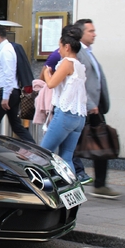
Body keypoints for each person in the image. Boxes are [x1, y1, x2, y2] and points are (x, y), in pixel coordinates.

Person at [73, 18, 120, 199]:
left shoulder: (89, 52)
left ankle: (99, 184)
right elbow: (79, 81)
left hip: (95, 106)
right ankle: (90, 182)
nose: (94, 34)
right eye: (90, 31)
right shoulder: (78, 53)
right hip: (86, 106)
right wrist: (91, 104)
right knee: (73, 144)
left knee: (100, 141)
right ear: (80, 33)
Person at [40, 25, 87, 171]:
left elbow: (51, 84)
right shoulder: (79, 65)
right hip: (79, 117)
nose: (58, 50)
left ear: (67, 47)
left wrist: (47, 72)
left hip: (65, 114)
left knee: (42, 154)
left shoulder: (67, 63)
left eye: (59, 46)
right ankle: (72, 190)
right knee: (66, 157)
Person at [0, 25, 35, 142]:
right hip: (11, 92)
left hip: (7, 92)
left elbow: (9, 75)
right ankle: (34, 148)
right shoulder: (6, 50)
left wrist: (5, 97)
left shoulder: (6, 51)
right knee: (16, 126)